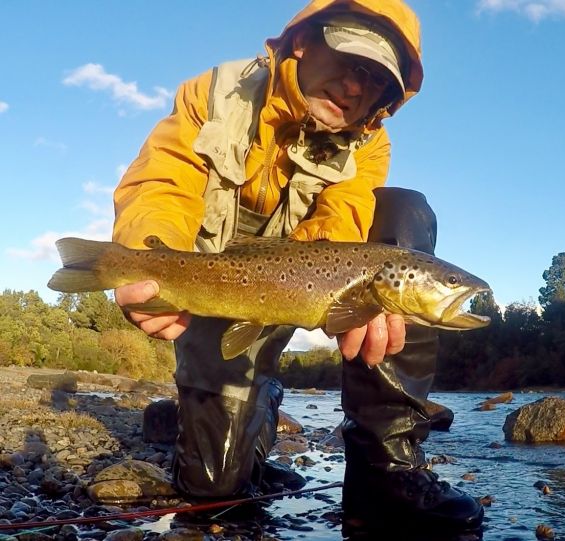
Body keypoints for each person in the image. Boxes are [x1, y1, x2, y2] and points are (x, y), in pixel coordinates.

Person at [112, 0, 484, 532]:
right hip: (215, 285)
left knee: (403, 212)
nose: (357, 88)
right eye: (350, 61)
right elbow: (163, 182)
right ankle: (258, 400)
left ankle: (387, 470)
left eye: (377, 81)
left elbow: (343, 220)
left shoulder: (369, 142)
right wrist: (145, 261)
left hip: (303, 280)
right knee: (215, 490)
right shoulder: (216, 93)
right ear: (303, 42)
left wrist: (355, 298)